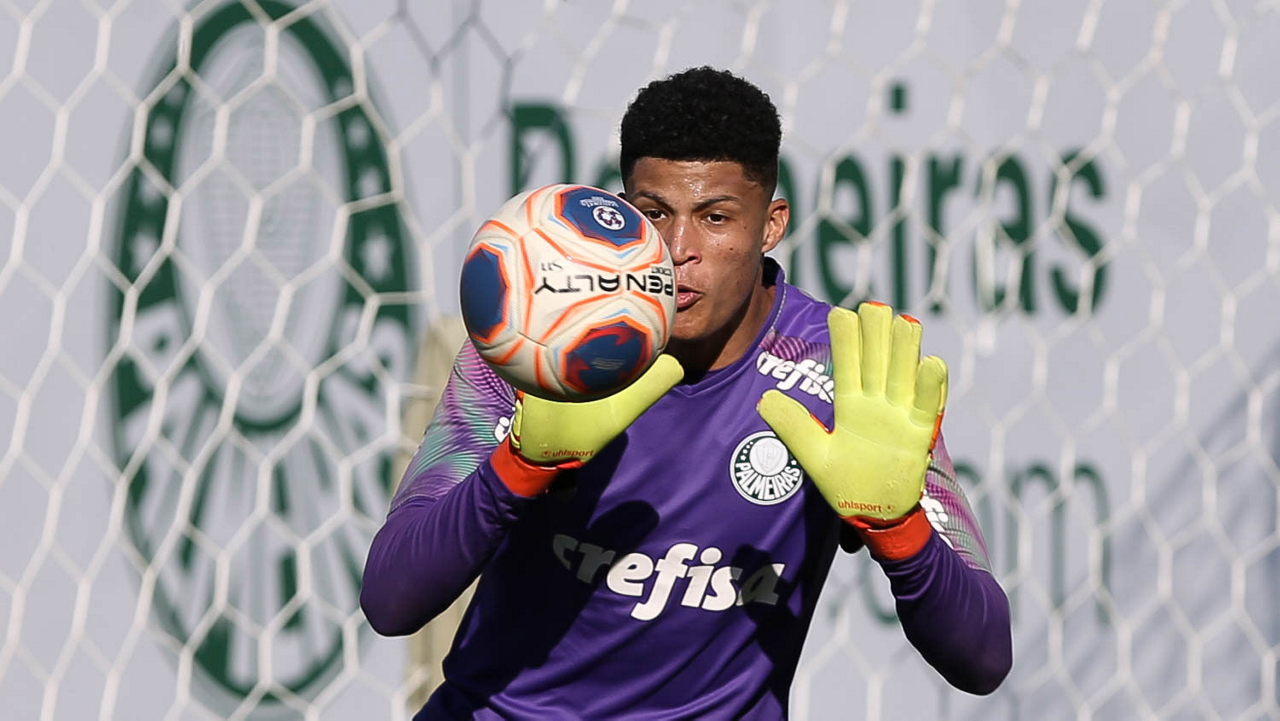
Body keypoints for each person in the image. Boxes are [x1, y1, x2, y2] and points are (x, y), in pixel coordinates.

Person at [361, 66, 1012, 719]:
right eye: (654, 214)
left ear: (771, 225)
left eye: (715, 217)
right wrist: (521, 466)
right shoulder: (539, 344)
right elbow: (391, 601)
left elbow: (984, 659)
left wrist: (897, 528)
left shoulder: (847, 375)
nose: (677, 250)